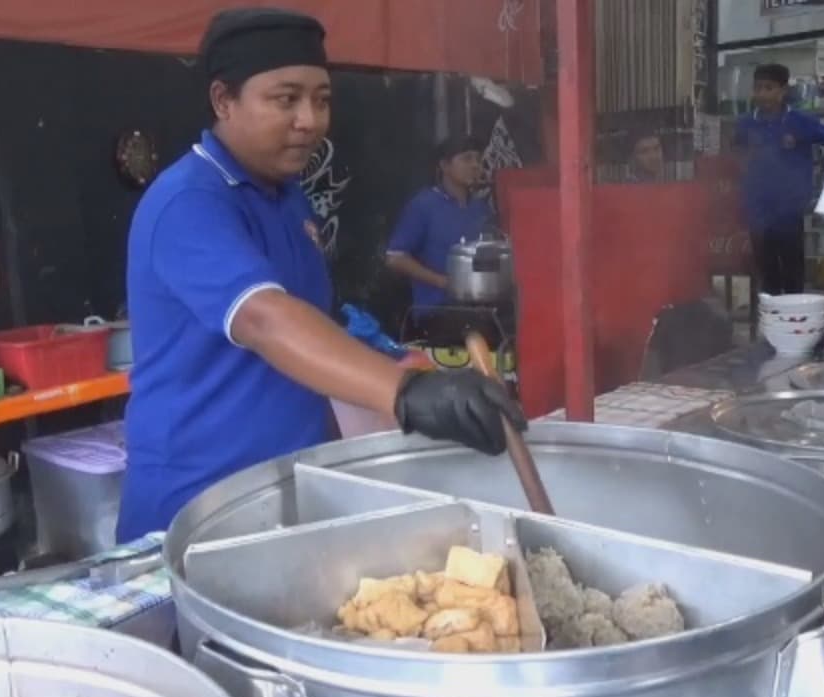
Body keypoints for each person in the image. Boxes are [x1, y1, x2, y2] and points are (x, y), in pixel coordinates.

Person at [119, 8, 526, 541]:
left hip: (288, 489)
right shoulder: (189, 201)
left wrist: (395, 362)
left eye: (322, 99)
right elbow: (267, 319)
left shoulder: (287, 197)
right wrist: (407, 392)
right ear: (223, 100)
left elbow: (314, 316)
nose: (310, 119)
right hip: (197, 506)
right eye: (285, 99)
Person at [734, 63, 824, 295]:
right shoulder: (746, 124)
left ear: (782, 91)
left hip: (790, 211)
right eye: (757, 88)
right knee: (766, 275)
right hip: (758, 212)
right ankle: (770, 326)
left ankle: (794, 324)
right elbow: (736, 156)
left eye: (768, 88)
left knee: (793, 272)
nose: (761, 94)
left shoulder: (800, 122)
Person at [385, 136, 493, 310]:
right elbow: (395, 258)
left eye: (478, 160)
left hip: (479, 307)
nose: (475, 165)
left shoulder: (480, 208)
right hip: (437, 311)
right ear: (444, 165)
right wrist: (442, 282)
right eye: (467, 158)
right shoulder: (424, 204)